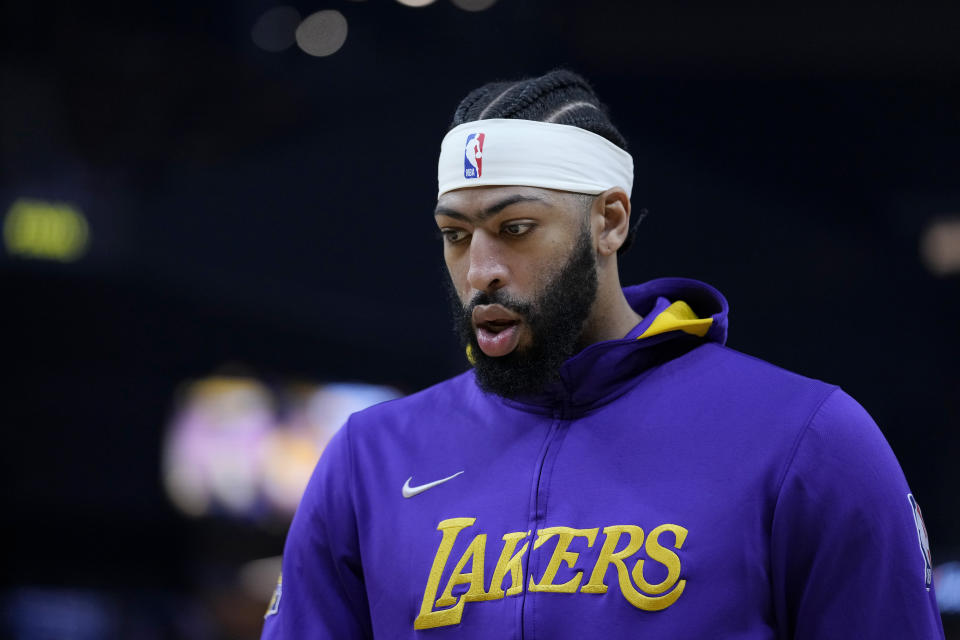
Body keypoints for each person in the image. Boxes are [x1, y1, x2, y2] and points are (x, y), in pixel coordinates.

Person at [260, 70, 945, 639]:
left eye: (515, 228)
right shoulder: (369, 457)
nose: (480, 270)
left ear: (610, 221)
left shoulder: (809, 437)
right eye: (456, 234)